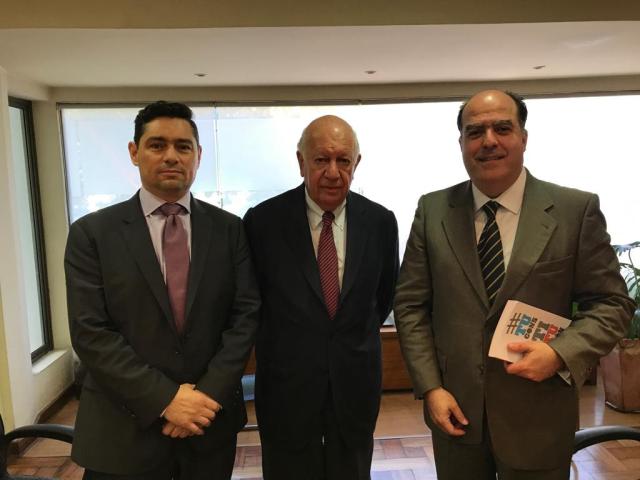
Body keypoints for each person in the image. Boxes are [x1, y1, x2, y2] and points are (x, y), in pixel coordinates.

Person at [394, 90, 635, 479]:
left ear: (523, 137)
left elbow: (612, 303)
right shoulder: (432, 211)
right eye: (475, 132)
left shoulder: (575, 211)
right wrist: (431, 388)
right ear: (461, 144)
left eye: (502, 128)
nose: (488, 140)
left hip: (539, 416)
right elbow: (410, 306)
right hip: (455, 414)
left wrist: (559, 353)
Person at [65, 101, 260, 480]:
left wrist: (203, 399)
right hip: (122, 431)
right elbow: (91, 333)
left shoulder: (229, 230)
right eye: (157, 145)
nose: (171, 156)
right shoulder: (92, 234)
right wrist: (167, 400)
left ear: (198, 156)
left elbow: (245, 316)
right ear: (134, 153)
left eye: (183, 146)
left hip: (207, 425)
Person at [243, 115, 399, 480]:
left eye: (343, 160)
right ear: (301, 162)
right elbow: (253, 302)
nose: (332, 172)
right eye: (321, 160)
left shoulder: (380, 222)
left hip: (355, 383)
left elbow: (383, 296)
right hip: (286, 387)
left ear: (356, 164)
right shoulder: (262, 222)